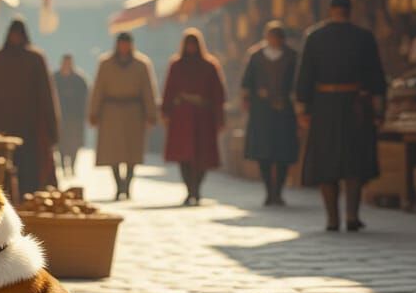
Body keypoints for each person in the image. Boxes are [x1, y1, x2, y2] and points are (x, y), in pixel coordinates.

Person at [295, 0, 387, 231]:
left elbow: (305, 76)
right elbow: (376, 76)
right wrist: (379, 110)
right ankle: (351, 216)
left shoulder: (314, 37)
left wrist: (304, 108)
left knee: (327, 162)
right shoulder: (363, 37)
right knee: (353, 162)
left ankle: (332, 219)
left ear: (330, 9)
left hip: (324, 106)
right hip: (355, 106)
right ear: (350, 10)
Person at [0, 20, 61, 191]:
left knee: (29, 170)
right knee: (1, 169)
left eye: (18, 34)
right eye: (13, 34)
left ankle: (27, 196)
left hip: (29, 126)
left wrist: (52, 127)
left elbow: (46, 95)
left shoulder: (35, 58)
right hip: (1, 126)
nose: (15, 38)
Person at [90, 32, 159, 200]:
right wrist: (93, 112)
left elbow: (148, 89)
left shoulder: (141, 64)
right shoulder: (106, 63)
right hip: (111, 113)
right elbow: (98, 89)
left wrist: (151, 113)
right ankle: (118, 185)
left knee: (132, 153)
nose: (124, 47)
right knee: (112, 152)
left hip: (133, 113)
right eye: (121, 44)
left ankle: (127, 185)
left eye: (126, 44)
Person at [161, 29, 226, 206]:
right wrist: (166, 112)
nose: (191, 47)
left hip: (203, 117)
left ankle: (197, 188)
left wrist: (220, 118)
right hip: (182, 117)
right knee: (184, 156)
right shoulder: (176, 65)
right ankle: (190, 189)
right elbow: (169, 89)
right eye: (188, 44)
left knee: (203, 156)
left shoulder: (209, 65)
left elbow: (218, 94)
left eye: (193, 44)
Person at [241, 21, 299, 206]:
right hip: (262, 112)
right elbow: (246, 83)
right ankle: (269, 191)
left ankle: (278, 191)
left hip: (284, 111)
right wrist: (253, 96)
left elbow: (297, 82)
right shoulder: (256, 56)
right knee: (264, 152)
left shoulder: (292, 56)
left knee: (283, 152)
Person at [54, 54, 89, 176]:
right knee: (61, 145)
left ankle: (72, 166)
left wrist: (85, 115)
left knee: (74, 145)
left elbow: (85, 99)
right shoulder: (55, 78)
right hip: (60, 118)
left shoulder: (79, 80)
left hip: (75, 118)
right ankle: (63, 167)